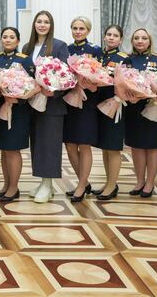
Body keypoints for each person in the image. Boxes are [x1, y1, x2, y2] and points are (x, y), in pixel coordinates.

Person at [22, 10, 69, 203]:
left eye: (46, 22)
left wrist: (53, 91)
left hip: (52, 104)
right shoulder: (27, 46)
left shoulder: (59, 45)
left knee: (49, 144)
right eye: (39, 21)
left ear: (51, 26)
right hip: (32, 103)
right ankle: (43, 181)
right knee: (38, 143)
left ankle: (48, 184)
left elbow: (67, 75)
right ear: (34, 24)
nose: (42, 25)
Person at [124, 28, 157, 198]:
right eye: (136, 38)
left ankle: (150, 183)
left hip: (154, 107)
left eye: (143, 38)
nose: (140, 41)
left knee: (153, 145)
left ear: (149, 41)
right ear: (132, 41)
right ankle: (139, 181)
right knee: (136, 145)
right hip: (133, 108)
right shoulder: (127, 60)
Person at [63, 16, 102, 202]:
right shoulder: (66, 49)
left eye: (81, 28)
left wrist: (90, 82)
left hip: (88, 103)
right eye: (75, 28)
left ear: (88, 30)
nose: (78, 31)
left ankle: (81, 185)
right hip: (69, 103)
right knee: (70, 145)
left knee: (84, 145)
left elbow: (101, 76)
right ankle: (83, 182)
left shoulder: (95, 50)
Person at [0, 26, 33, 203]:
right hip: (0, 108)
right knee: (3, 148)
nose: (7, 40)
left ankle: (14, 187)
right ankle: (6, 183)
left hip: (18, 111)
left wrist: (19, 98)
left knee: (12, 149)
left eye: (11, 37)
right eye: (4, 37)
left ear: (17, 40)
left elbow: (32, 85)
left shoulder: (24, 60)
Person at [94, 24, 132, 200]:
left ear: (121, 39)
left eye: (115, 35)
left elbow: (130, 83)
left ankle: (111, 186)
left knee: (113, 147)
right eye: (108, 34)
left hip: (116, 106)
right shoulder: (98, 56)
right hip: (99, 105)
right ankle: (108, 182)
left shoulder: (124, 58)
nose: (111, 37)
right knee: (104, 147)